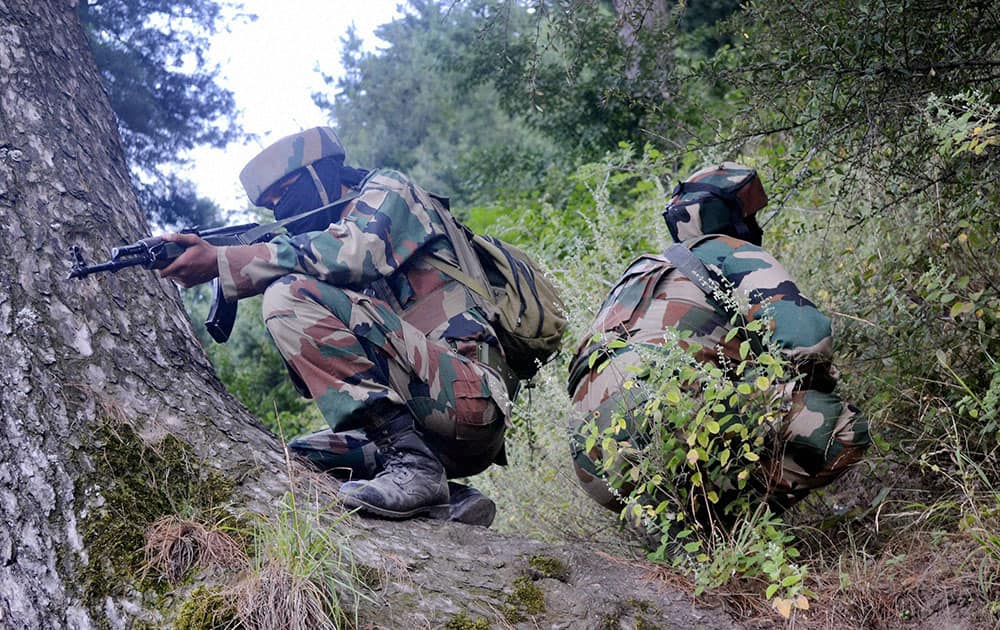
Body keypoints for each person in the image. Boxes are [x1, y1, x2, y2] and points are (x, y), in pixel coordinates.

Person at [158, 127, 512, 526]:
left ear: (322, 175)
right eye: (273, 207)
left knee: (287, 294)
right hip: (421, 421)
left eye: (287, 194)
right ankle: (450, 501)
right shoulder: (324, 247)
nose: (282, 211)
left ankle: (417, 470)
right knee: (297, 461)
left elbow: (356, 253)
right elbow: (320, 380)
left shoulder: (390, 190)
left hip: (468, 399)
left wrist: (230, 262)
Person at [566, 162, 870, 537]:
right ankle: (728, 531)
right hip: (669, 419)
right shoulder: (727, 251)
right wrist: (807, 381)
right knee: (838, 423)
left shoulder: (639, 275)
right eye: (751, 215)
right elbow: (810, 339)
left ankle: (677, 525)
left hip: (593, 464)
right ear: (732, 218)